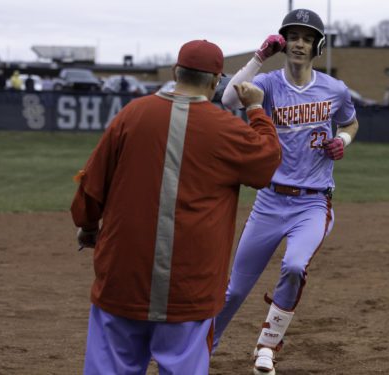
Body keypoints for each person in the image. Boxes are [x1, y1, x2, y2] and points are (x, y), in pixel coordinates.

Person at [70, 39, 281, 375]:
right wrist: (256, 110)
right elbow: (267, 163)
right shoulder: (225, 128)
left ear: (174, 72)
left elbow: (92, 186)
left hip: (123, 278)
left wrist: (89, 226)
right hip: (190, 286)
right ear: (215, 82)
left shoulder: (132, 114)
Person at [216, 8, 359, 374]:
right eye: (293, 37)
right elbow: (229, 101)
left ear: (317, 47)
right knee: (233, 289)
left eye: (307, 38)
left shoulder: (334, 89)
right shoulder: (269, 84)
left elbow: (351, 121)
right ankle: (200, 346)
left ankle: (267, 345)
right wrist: (258, 57)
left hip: (312, 202)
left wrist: (343, 139)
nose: (299, 43)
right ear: (285, 43)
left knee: (294, 265)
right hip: (269, 200)